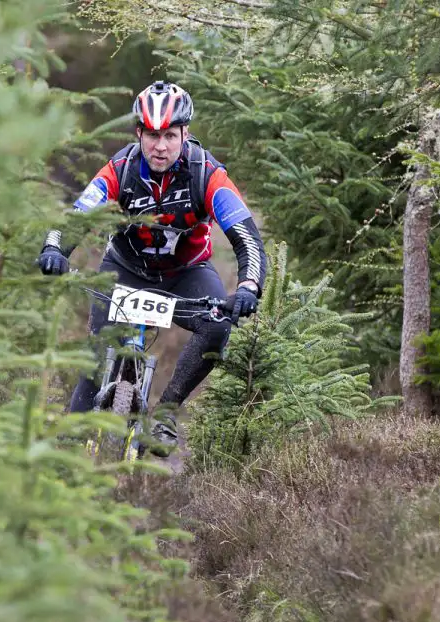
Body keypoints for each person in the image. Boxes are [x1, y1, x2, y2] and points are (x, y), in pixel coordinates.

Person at [37, 80, 269, 457]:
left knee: (217, 326)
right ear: (139, 133)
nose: (161, 146)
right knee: (97, 360)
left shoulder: (206, 174)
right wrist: (54, 249)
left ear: (185, 134)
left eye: (170, 136)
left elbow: (247, 238)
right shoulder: (121, 169)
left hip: (186, 273)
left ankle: (165, 414)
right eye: (152, 135)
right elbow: (76, 216)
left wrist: (247, 287)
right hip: (125, 269)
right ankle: (64, 458)